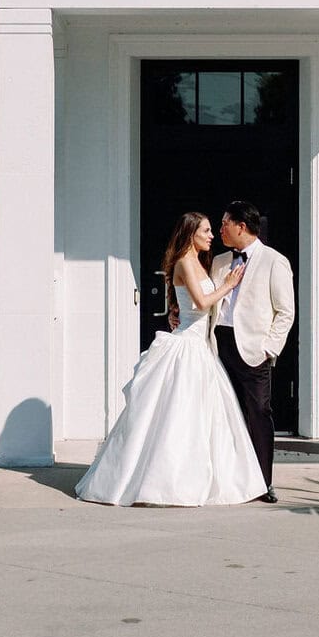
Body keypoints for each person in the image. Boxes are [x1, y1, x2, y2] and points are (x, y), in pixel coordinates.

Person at [74, 212, 268, 507]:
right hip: (187, 349)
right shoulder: (184, 262)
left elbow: (194, 304)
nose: (211, 235)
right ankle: (165, 482)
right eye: (205, 230)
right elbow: (202, 303)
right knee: (178, 416)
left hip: (202, 348)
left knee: (204, 420)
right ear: (191, 234)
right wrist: (228, 285)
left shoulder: (202, 264)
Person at [208, 201, 296, 505]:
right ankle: (229, 480)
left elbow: (285, 312)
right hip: (219, 343)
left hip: (253, 350)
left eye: (224, 224)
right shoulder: (219, 261)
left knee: (258, 413)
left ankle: (262, 482)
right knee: (222, 414)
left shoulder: (274, 261)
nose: (219, 230)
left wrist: (269, 349)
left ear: (240, 226)